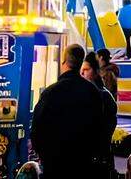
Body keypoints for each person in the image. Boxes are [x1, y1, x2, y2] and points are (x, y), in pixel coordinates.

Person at [30, 44, 104, 174]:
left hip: (54, 161)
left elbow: (38, 127)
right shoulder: (93, 92)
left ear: (64, 61)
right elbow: (99, 127)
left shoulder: (51, 92)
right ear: (81, 63)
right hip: (83, 161)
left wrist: (43, 154)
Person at [82, 51, 119, 168]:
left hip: (98, 155)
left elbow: (108, 126)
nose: (82, 73)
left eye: (86, 69)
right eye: (81, 69)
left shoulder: (104, 96)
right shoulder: (82, 92)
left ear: (96, 71)